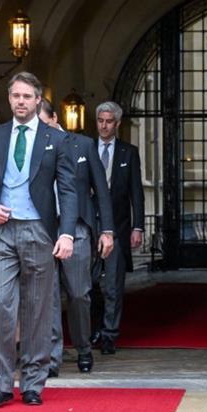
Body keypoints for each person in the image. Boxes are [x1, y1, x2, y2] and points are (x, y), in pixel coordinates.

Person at [0, 71, 77, 408]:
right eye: (16, 96)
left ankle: (32, 383)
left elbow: (68, 191)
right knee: (0, 304)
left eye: (27, 96)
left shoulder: (56, 139)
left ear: (38, 100)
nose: (21, 101)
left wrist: (66, 233)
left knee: (37, 308)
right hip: (1, 230)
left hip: (39, 230)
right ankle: (0, 383)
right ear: (9, 99)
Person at [37, 100, 114, 377]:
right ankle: (52, 357)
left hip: (78, 227)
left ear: (54, 118)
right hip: (44, 228)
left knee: (79, 294)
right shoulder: (31, 147)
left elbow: (101, 190)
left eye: (42, 122)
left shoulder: (83, 145)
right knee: (48, 296)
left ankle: (83, 348)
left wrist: (107, 230)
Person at [90, 101, 144, 355]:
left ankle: (109, 334)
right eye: (100, 120)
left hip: (118, 227)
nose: (104, 126)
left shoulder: (128, 152)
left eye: (109, 121)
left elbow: (136, 192)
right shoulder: (86, 148)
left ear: (117, 123)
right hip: (89, 226)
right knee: (88, 284)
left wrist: (138, 226)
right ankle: (94, 329)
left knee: (113, 285)